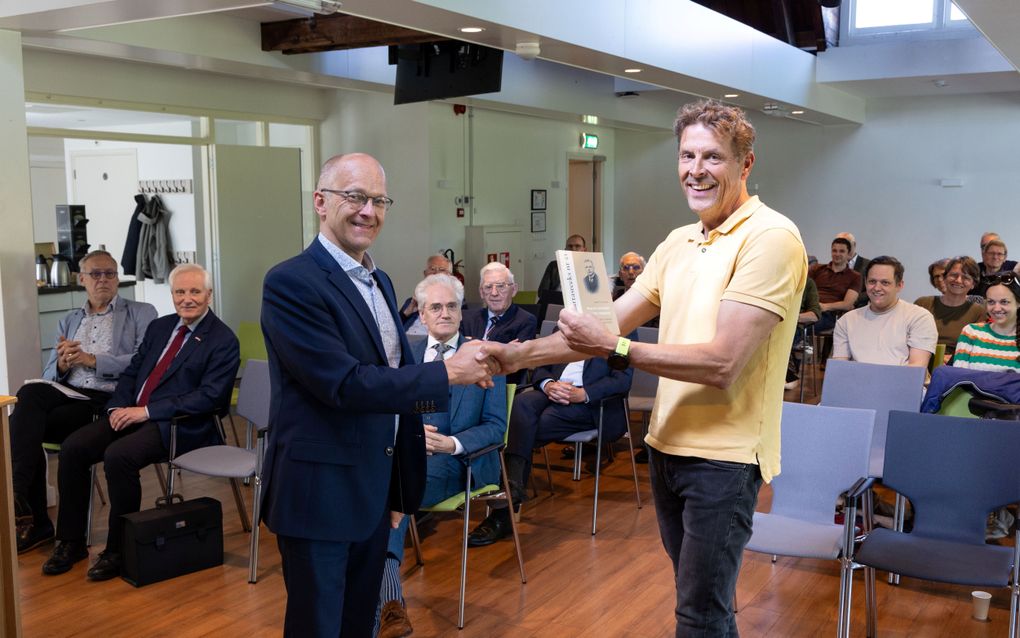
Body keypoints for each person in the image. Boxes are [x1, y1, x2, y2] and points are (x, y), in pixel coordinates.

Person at [486, 100, 806, 635]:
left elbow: (722, 363)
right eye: (686, 155)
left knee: (698, 613)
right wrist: (512, 357)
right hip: (664, 447)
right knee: (702, 605)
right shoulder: (678, 242)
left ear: (745, 165)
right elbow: (595, 330)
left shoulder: (770, 238)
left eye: (713, 157)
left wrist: (617, 346)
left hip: (723, 460)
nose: (696, 169)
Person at [259, 153, 495, 638]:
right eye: (355, 197)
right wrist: (448, 373)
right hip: (320, 497)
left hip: (372, 490)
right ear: (320, 202)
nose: (368, 210)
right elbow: (345, 384)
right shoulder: (290, 283)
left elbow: (395, 382)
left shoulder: (379, 280)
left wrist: (397, 487)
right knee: (318, 627)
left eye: (378, 200)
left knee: (358, 624)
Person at [41, 263, 239, 581]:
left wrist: (146, 412)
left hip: (178, 425)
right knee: (74, 447)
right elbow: (132, 372)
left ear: (209, 295)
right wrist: (118, 407)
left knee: (119, 456)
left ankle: (119, 549)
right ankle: (71, 541)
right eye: (180, 292)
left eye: (195, 292)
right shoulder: (160, 328)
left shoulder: (223, 340)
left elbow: (210, 399)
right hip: (131, 412)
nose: (187, 299)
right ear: (172, 295)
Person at [374, 273, 507, 638]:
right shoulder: (408, 356)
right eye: (436, 307)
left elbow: (496, 427)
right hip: (407, 456)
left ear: (462, 313)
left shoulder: (485, 357)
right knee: (370, 487)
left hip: (459, 463)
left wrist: (451, 444)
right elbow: (388, 409)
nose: (445, 313)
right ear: (422, 313)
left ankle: (386, 605)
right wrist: (409, 433)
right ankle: (377, 599)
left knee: (390, 494)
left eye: (451, 306)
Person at [10, 250, 157, 554]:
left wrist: (92, 360)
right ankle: (19, 496)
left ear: (117, 278)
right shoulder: (70, 319)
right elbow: (50, 372)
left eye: (110, 274)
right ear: (81, 279)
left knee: (22, 423)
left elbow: (144, 361)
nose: (103, 280)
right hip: (73, 394)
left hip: (109, 398)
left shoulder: (141, 312)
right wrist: (63, 365)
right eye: (95, 274)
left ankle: (27, 510)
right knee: (28, 401)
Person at [466, 335, 633, 546]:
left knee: (520, 429)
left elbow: (622, 380)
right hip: (552, 393)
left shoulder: (622, 331)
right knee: (521, 404)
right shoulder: (565, 328)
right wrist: (548, 384)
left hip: (590, 404)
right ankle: (512, 489)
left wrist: (583, 394)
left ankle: (503, 511)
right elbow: (540, 365)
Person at [831, 256, 937, 367]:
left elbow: (916, 369)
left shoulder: (919, 317)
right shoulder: (846, 321)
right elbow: (840, 368)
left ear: (899, 285)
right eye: (872, 281)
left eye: (885, 283)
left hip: (902, 383)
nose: (877, 288)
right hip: (859, 383)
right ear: (865, 283)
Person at [462, 262, 537, 384]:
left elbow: (512, 360)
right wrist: (502, 347)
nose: (494, 293)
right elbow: (457, 353)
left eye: (501, 286)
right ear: (481, 292)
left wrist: (471, 342)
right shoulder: (466, 318)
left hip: (502, 385)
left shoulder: (526, 320)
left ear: (514, 290)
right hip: (466, 383)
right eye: (488, 287)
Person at [914, 256, 987, 356]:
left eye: (965, 277)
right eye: (954, 275)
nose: (958, 280)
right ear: (944, 278)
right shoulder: (922, 304)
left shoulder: (979, 312)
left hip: (955, 365)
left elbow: (976, 349)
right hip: (919, 359)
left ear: (973, 284)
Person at [952, 272, 1020, 372]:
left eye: (1004, 302)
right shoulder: (971, 332)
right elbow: (958, 379)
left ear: (1018, 303)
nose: (996, 308)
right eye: (991, 302)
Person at [808, 236, 861, 333]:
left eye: (841, 251)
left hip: (830, 314)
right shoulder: (816, 269)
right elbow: (804, 289)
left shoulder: (855, 276)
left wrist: (825, 306)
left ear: (849, 254)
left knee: (801, 325)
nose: (837, 254)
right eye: (834, 250)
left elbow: (847, 304)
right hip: (809, 308)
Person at [398, 254, 452, 335]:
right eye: (432, 269)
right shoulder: (412, 302)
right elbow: (393, 329)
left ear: (450, 276)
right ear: (425, 274)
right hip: (406, 343)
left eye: (441, 269)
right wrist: (405, 314)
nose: (436, 273)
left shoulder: (456, 301)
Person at [537, 234, 586, 307]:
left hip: (580, 306)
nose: (573, 248)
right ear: (565, 250)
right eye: (570, 246)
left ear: (584, 250)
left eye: (577, 246)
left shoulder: (590, 267)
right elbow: (541, 292)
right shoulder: (554, 266)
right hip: (555, 304)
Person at [835, 231, 870, 307]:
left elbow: (870, 290)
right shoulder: (832, 267)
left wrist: (850, 300)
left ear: (854, 245)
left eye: (846, 244)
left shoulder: (868, 265)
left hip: (858, 310)